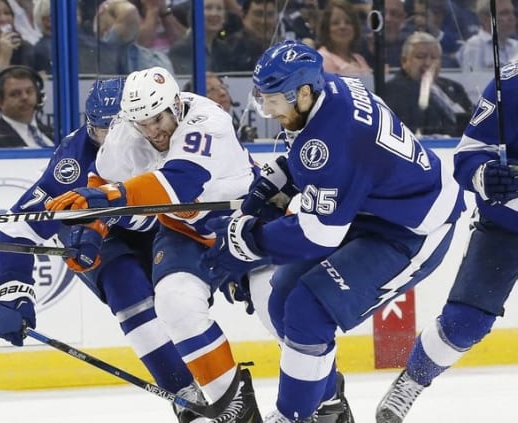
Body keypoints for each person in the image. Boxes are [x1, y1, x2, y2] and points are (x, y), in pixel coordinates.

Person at [202, 40, 465, 423]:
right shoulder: (329, 93)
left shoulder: (334, 138)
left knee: (308, 310)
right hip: (373, 210)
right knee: (282, 299)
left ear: (303, 93)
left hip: (415, 231)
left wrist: (247, 242)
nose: (269, 109)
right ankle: (327, 410)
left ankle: (294, 415)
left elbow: (317, 234)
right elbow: (307, 160)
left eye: (274, 100)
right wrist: (261, 194)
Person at [46, 66, 262, 423]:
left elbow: (177, 185)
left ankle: (323, 402)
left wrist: (106, 198)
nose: (151, 131)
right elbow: (103, 180)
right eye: (141, 122)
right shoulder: (126, 134)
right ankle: (234, 408)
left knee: (280, 307)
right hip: (185, 233)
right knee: (174, 303)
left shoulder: (209, 121)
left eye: (157, 118)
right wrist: (89, 234)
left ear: (175, 105)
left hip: (248, 226)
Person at [0, 78, 207, 423]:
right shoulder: (73, 163)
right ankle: (183, 394)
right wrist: (11, 290)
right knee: (128, 291)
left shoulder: (170, 135)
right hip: (97, 238)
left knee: (181, 298)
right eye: (99, 129)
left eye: (115, 128)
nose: (107, 140)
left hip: (156, 230)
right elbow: (16, 227)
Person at [375, 66, 518, 423]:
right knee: (462, 324)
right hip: (507, 226)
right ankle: (413, 380)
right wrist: (485, 176)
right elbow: (468, 156)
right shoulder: (511, 84)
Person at [383, 31, 473, 137]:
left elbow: (473, 120)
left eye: (434, 58)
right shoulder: (394, 90)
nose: (428, 63)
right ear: (404, 61)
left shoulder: (454, 87)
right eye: (420, 57)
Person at [0, 65, 53, 148]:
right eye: (15, 94)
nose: (24, 97)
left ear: (38, 95)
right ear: (0, 101)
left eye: (29, 91)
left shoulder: (53, 133)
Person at [93, 0, 175, 74]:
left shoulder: (166, 6)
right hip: (136, 70)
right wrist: (153, 9)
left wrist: (165, 13)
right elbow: (141, 43)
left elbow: (183, 47)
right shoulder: (112, 7)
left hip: (169, 68)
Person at [167, 0, 231, 75]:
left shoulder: (224, 49)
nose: (214, 13)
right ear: (195, 14)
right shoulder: (181, 49)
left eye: (219, 8)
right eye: (208, 8)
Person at [221, 0, 282, 72]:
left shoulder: (283, 46)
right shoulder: (230, 47)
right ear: (244, 16)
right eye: (258, 14)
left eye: (270, 15)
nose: (263, 21)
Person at [457, 0, 518, 71]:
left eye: (513, 13)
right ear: (485, 19)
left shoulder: (516, 45)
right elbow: (472, 80)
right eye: (504, 13)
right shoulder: (474, 46)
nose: (512, 18)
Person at [316, 0, 372, 77]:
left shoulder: (359, 59)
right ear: (326, 29)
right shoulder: (322, 58)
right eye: (335, 23)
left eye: (348, 22)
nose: (342, 26)